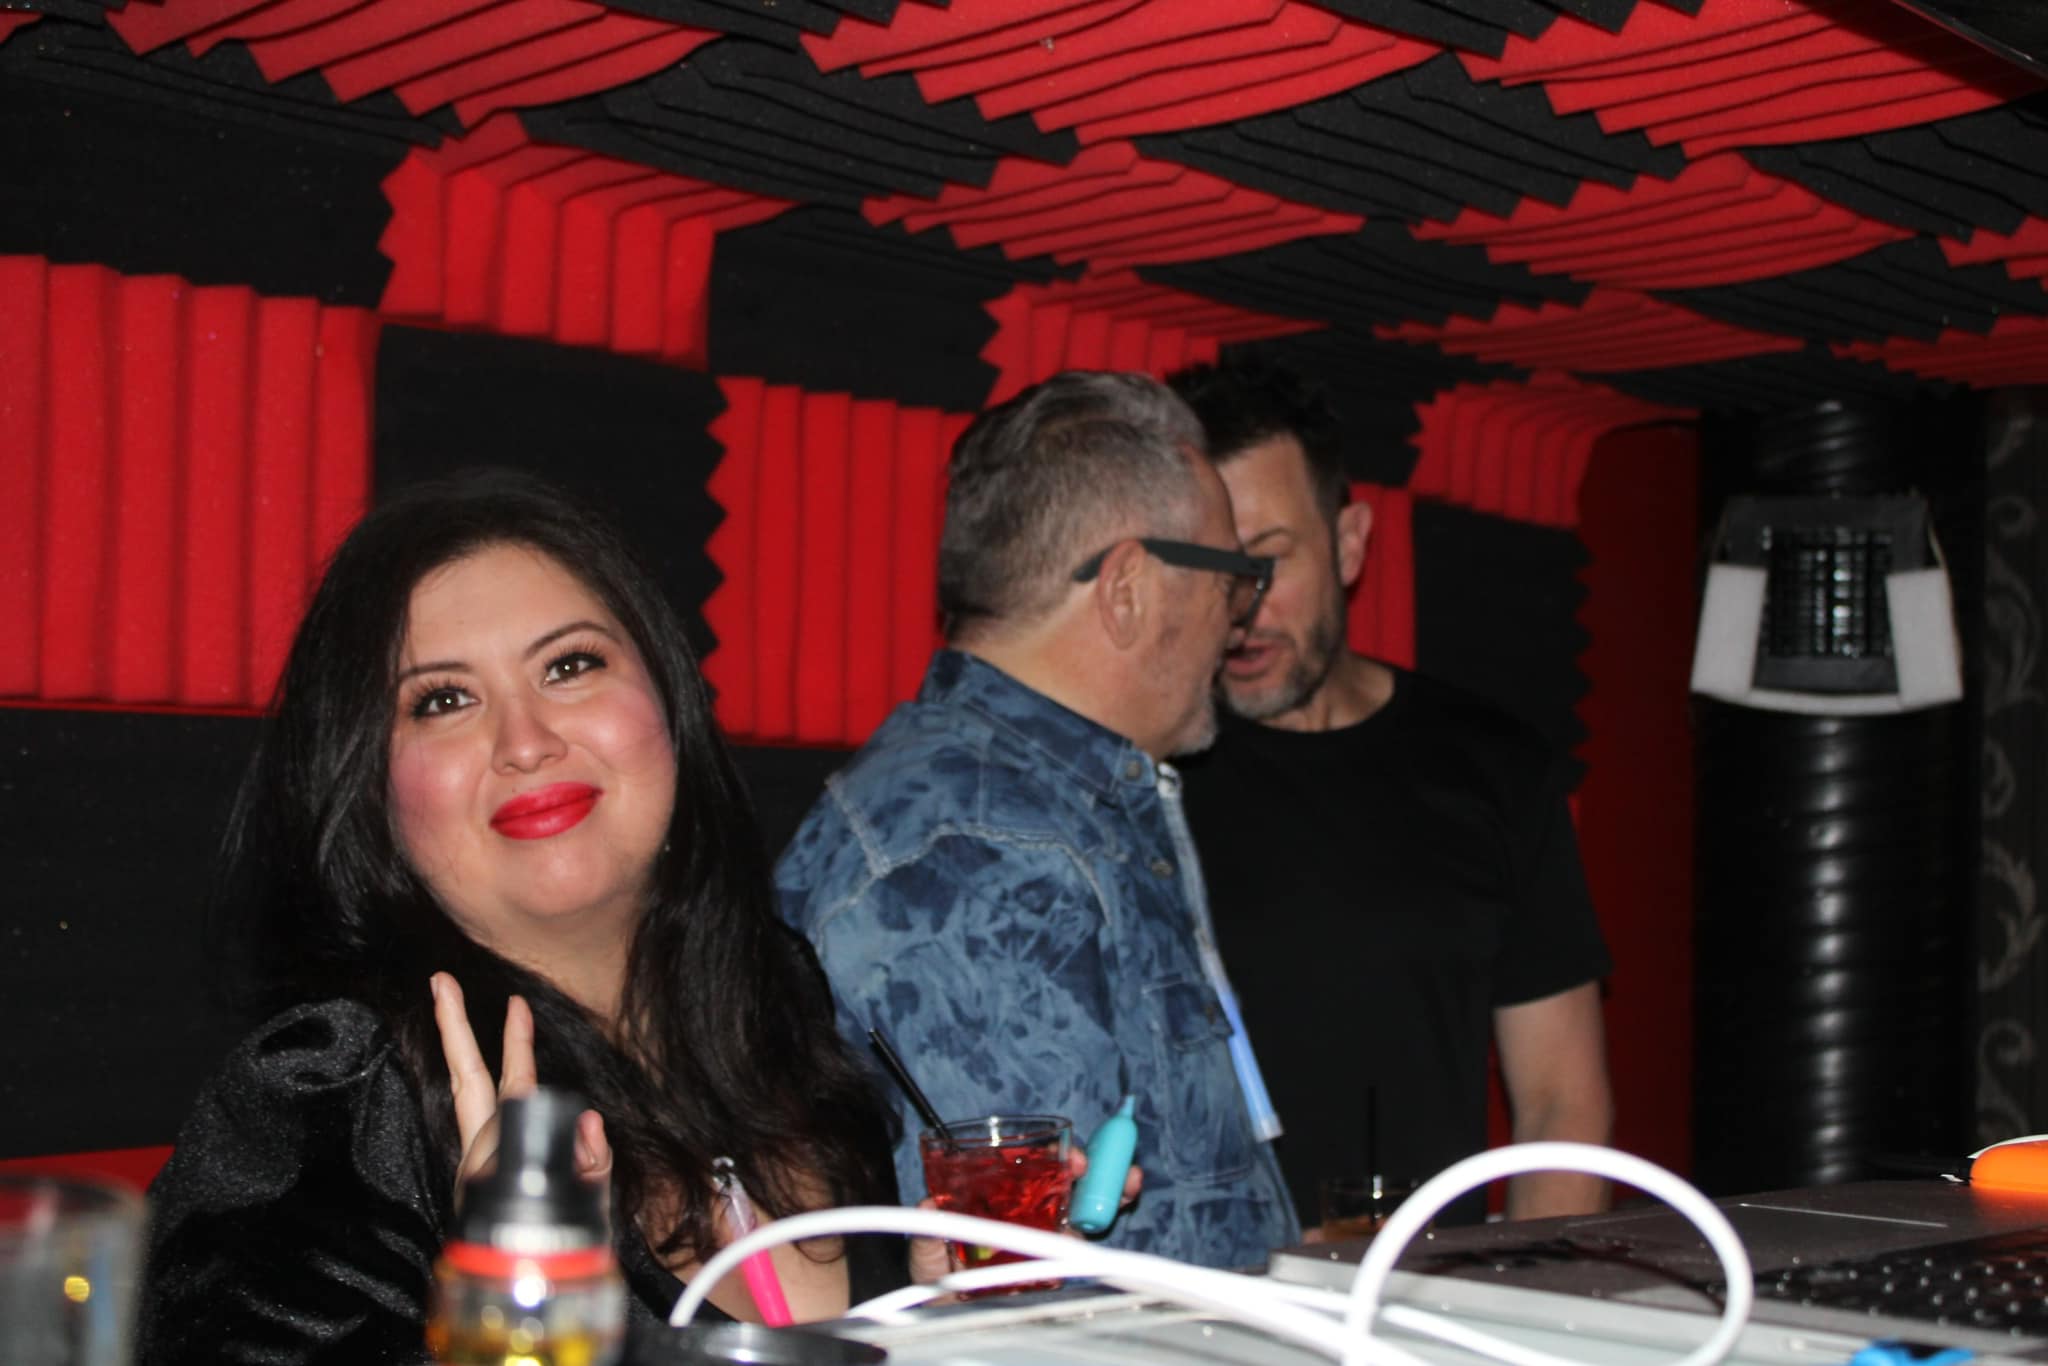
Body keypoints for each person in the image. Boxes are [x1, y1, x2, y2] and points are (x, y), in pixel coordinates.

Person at [136, 470, 920, 1365]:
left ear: (669, 699)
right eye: (443, 700)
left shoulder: (780, 1001)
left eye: (569, 666)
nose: (526, 742)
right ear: (368, 788)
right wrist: (503, 1324)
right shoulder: (332, 1106)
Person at [776, 371, 1299, 1271]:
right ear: (1129, 588)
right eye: (1233, 579)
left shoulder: (1054, 812)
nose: (1236, 619)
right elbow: (1035, 1295)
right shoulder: (974, 861)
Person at [1168, 356, 1615, 1228]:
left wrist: (1524, 1294)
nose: (1240, 607)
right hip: (1209, 1300)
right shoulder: (1134, 781)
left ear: (1349, 544)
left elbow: (1564, 1106)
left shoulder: (1495, 768)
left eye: (1268, 561)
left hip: (1432, 1294)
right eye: (1209, 568)